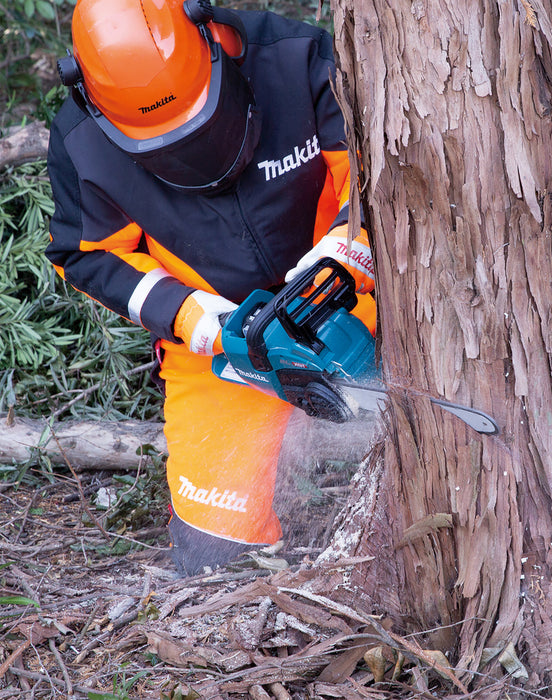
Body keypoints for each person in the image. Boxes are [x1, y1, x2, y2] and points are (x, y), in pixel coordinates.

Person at [46, 0, 376, 576]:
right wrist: (193, 318)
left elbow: (382, 169)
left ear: (211, 35)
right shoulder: (83, 145)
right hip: (224, 348)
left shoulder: (296, 60)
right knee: (214, 559)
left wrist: (352, 245)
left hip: (351, 293)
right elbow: (88, 255)